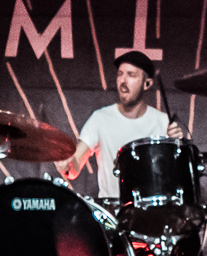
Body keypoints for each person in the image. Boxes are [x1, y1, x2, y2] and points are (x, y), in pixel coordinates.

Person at [57, 50, 183, 196]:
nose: (123, 80)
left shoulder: (162, 121)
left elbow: (174, 176)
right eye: (120, 74)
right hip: (111, 208)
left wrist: (176, 145)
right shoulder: (100, 118)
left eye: (131, 75)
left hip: (152, 206)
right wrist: (68, 164)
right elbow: (75, 167)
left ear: (147, 84)